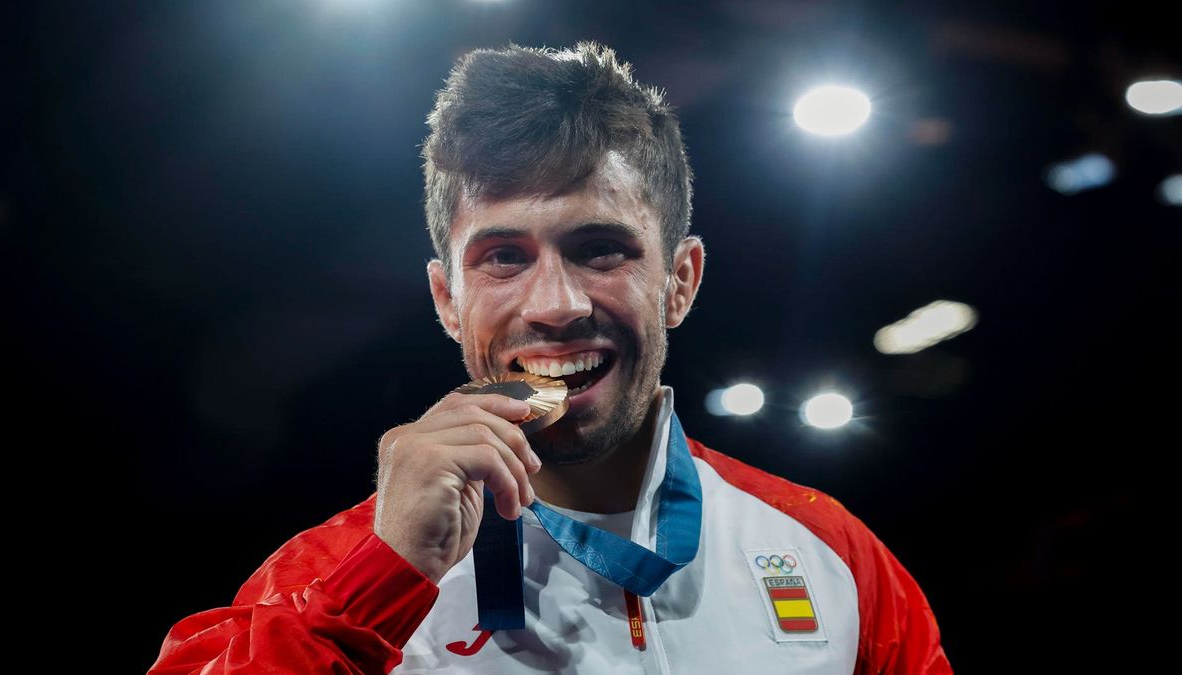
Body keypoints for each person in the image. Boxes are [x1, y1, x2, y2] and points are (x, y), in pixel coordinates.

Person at [151, 42, 951, 674]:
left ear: (679, 281)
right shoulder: (330, 577)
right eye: (503, 256)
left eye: (600, 248)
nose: (555, 304)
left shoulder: (831, 554)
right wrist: (376, 588)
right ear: (446, 298)